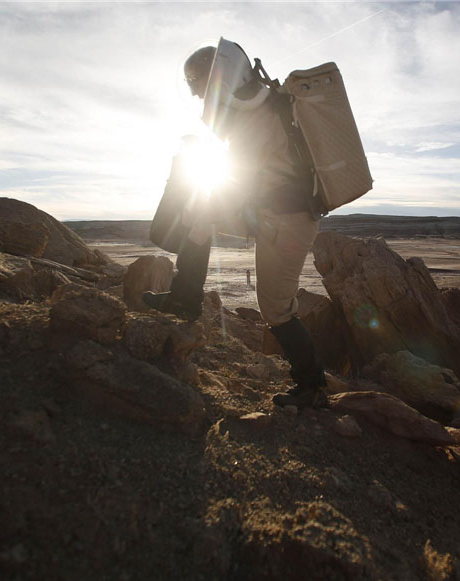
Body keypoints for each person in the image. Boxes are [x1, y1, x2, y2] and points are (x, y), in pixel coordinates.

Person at [143, 39, 327, 409]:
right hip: (274, 214)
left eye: (197, 88)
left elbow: (242, 175)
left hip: (285, 221)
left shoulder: (255, 114)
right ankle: (185, 299)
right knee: (200, 214)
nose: (197, 98)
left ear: (210, 80)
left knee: (275, 309)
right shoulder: (257, 105)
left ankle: (313, 388)